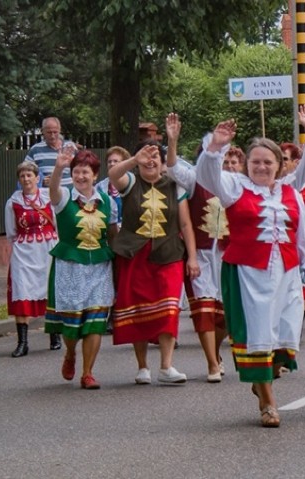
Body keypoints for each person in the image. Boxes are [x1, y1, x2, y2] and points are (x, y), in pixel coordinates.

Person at [197, 107, 305, 428]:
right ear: (248, 165)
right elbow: (206, 176)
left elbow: (303, 238)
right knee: (259, 334)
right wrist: (216, 146)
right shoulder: (235, 187)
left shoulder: (291, 192)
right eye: (256, 162)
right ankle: (267, 401)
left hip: (287, 273)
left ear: (280, 166)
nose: (262, 167)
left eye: (268, 162)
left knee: (285, 334)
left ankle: (262, 380)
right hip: (249, 273)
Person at [109, 138, 200, 386]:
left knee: (170, 308)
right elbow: (113, 174)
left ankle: (166, 366)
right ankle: (142, 367)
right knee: (138, 310)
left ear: (162, 164)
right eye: (145, 157)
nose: (150, 161)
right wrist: (132, 160)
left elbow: (184, 224)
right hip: (134, 256)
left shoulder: (175, 186)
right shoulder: (130, 183)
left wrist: (192, 257)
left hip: (169, 253)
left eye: (154, 158)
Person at [163, 114, 241, 383]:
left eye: (230, 158)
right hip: (202, 255)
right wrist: (172, 141)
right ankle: (211, 363)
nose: (225, 162)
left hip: (229, 256)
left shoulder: (238, 185)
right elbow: (172, 168)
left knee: (224, 316)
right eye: (221, 156)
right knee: (204, 310)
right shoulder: (195, 178)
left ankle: (216, 353)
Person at [44, 149, 118, 389]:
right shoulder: (64, 197)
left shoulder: (106, 201)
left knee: (96, 319)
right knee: (72, 323)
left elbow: (113, 233)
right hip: (70, 268)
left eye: (85, 172)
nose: (80, 176)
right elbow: (53, 191)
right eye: (76, 171)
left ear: (95, 175)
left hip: (99, 267)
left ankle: (87, 373)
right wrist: (58, 168)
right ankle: (70, 353)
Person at [4, 160, 59, 357]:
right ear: (19, 180)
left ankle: (55, 335)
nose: (26, 179)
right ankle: (23, 342)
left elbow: (57, 224)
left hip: (47, 248)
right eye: (22, 176)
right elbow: (11, 231)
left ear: (37, 178)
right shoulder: (13, 202)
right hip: (24, 251)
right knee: (22, 290)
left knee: (51, 290)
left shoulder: (48, 198)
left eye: (29, 175)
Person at [25, 117, 77, 187]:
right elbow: (25, 172)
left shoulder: (70, 147)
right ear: (43, 131)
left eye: (55, 132)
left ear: (60, 130)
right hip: (46, 195)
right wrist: (40, 180)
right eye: (49, 132)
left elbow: (81, 168)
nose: (52, 136)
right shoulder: (35, 149)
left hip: (69, 193)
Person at [95, 146, 131, 226]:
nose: (112, 164)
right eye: (109, 161)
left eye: (116, 161)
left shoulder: (133, 184)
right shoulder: (100, 187)